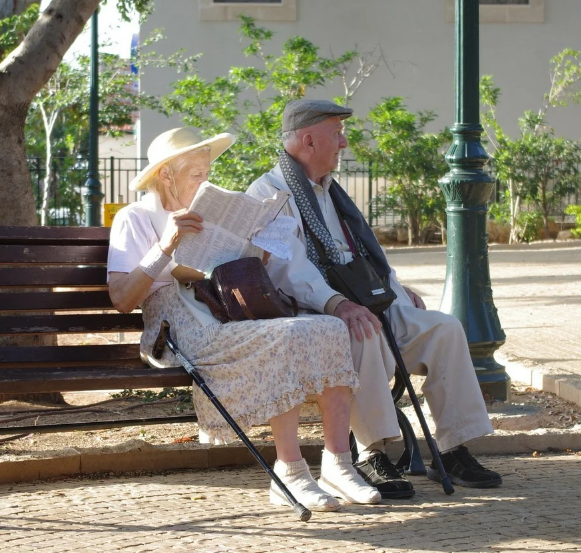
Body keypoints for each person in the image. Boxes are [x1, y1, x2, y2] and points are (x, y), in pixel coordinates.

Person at [107, 127, 384, 512]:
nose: (205, 181)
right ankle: (290, 471)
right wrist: (165, 245)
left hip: (224, 311)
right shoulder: (134, 217)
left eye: (207, 172)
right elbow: (122, 298)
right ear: (166, 174)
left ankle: (337, 463)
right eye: (195, 174)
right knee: (283, 337)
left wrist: (256, 250)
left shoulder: (207, 210)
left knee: (329, 327)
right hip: (176, 327)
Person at [246, 99, 503, 498]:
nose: (344, 143)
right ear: (308, 140)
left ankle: (453, 448)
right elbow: (287, 269)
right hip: (319, 313)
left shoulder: (331, 192)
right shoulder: (269, 193)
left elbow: (362, 255)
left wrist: (397, 292)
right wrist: (338, 304)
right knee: (362, 332)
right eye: (337, 134)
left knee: (444, 328)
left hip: (365, 301)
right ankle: (373, 452)